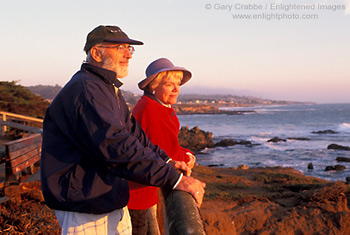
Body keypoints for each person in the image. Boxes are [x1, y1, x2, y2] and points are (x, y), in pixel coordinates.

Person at [40, 25, 205, 235]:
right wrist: (173, 178)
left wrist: (167, 162)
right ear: (96, 53)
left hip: (104, 197)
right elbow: (114, 144)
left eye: (130, 49)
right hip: (86, 203)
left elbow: (135, 137)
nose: (128, 54)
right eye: (120, 48)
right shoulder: (87, 91)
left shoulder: (107, 89)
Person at [127, 58, 196, 235]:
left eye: (178, 84)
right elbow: (167, 154)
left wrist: (185, 152)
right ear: (153, 86)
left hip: (142, 188)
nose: (176, 89)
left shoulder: (152, 105)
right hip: (138, 193)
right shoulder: (152, 110)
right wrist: (188, 156)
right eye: (169, 84)